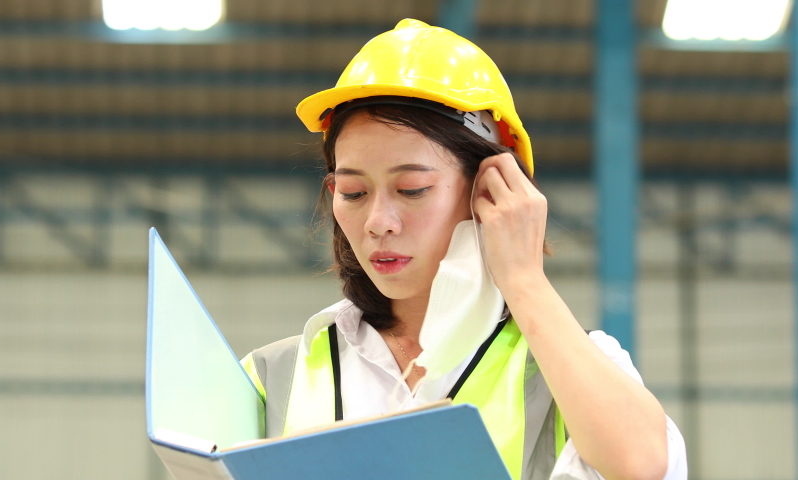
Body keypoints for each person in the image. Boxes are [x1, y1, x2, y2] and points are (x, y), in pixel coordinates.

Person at [240, 19, 686, 480]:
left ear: (493, 190)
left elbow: (644, 468)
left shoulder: (567, 375)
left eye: (412, 189)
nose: (377, 222)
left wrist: (524, 280)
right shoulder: (268, 378)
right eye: (353, 193)